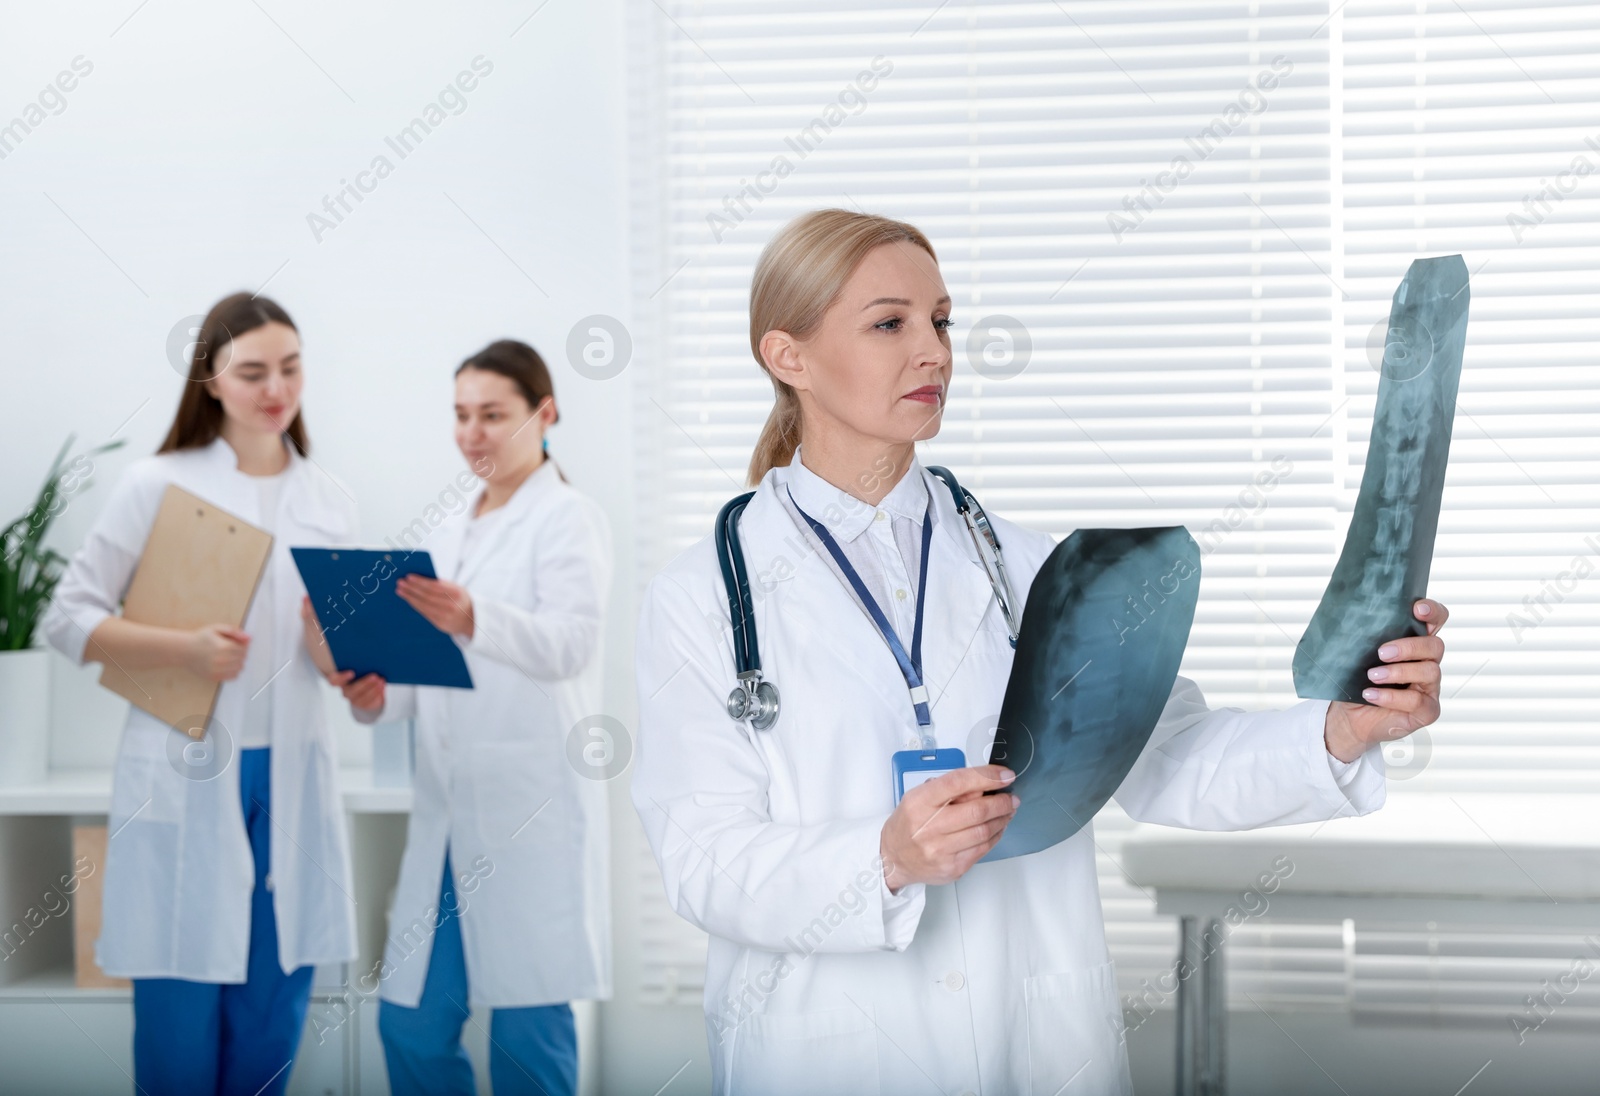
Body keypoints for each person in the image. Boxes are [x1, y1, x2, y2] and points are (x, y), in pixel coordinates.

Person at [630, 209, 1450, 1095]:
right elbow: (704, 859)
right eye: (890, 323)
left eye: (941, 321)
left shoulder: (1029, 568)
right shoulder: (705, 597)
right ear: (786, 356)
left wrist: (1341, 730)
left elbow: (1167, 759)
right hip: (825, 1048)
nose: (934, 352)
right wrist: (887, 859)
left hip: (1039, 1040)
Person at [42, 293, 359, 1096]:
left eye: (290, 367)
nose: (275, 388)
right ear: (211, 380)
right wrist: (183, 649)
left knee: (270, 1020)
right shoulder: (158, 483)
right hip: (186, 773)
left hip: (289, 777)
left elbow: (332, 654)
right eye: (252, 371)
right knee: (180, 1029)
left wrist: (342, 657)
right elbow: (67, 617)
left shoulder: (329, 498)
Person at [310, 339, 612, 1096]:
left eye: (492, 415)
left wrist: (476, 615)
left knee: (526, 1042)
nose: (472, 433)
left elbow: (570, 646)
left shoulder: (569, 518)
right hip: (446, 816)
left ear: (544, 415)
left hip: (527, 813)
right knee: (407, 1023)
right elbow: (431, 675)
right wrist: (375, 695)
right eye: (460, 416)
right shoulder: (449, 529)